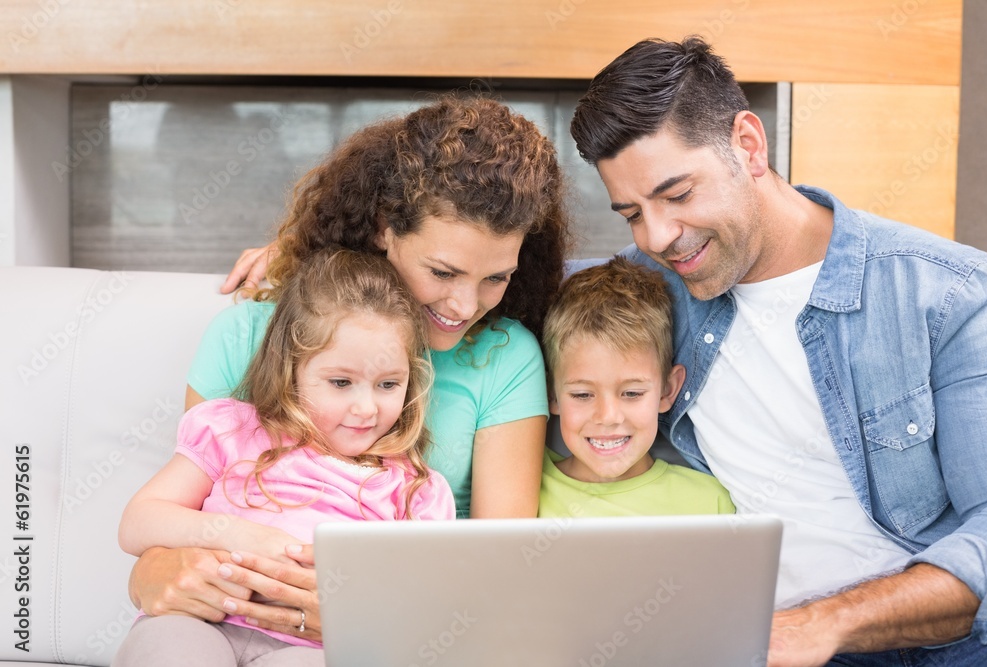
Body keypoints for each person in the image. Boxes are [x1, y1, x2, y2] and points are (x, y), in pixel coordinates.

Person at [569, 36, 987, 666]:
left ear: (748, 144)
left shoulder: (949, 293)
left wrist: (819, 626)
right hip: (748, 642)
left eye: (679, 195)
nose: (658, 236)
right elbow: (482, 275)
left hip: (943, 648)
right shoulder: (641, 290)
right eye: (632, 212)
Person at [127, 96, 569, 640]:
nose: (463, 305)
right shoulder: (249, 333)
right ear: (384, 227)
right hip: (225, 616)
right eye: (443, 271)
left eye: (495, 278)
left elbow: (498, 569)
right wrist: (150, 575)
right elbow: (178, 519)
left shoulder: (508, 357)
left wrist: (370, 613)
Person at [113, 249, 455, 666]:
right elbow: (138, 522)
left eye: (387, 384)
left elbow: (425, 604)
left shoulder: (414, 489)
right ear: (291, 368)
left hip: (312, 649)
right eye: (341, 382)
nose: (366, 408)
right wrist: (239, 535)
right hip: (203, 620)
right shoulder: (234, 431)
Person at [538, 256, 734, 518]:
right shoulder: (522, 489)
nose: (608, 417)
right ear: (551, 393)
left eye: (631, 393)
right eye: (582, 394)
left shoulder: (710, 502)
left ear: (667, 390)